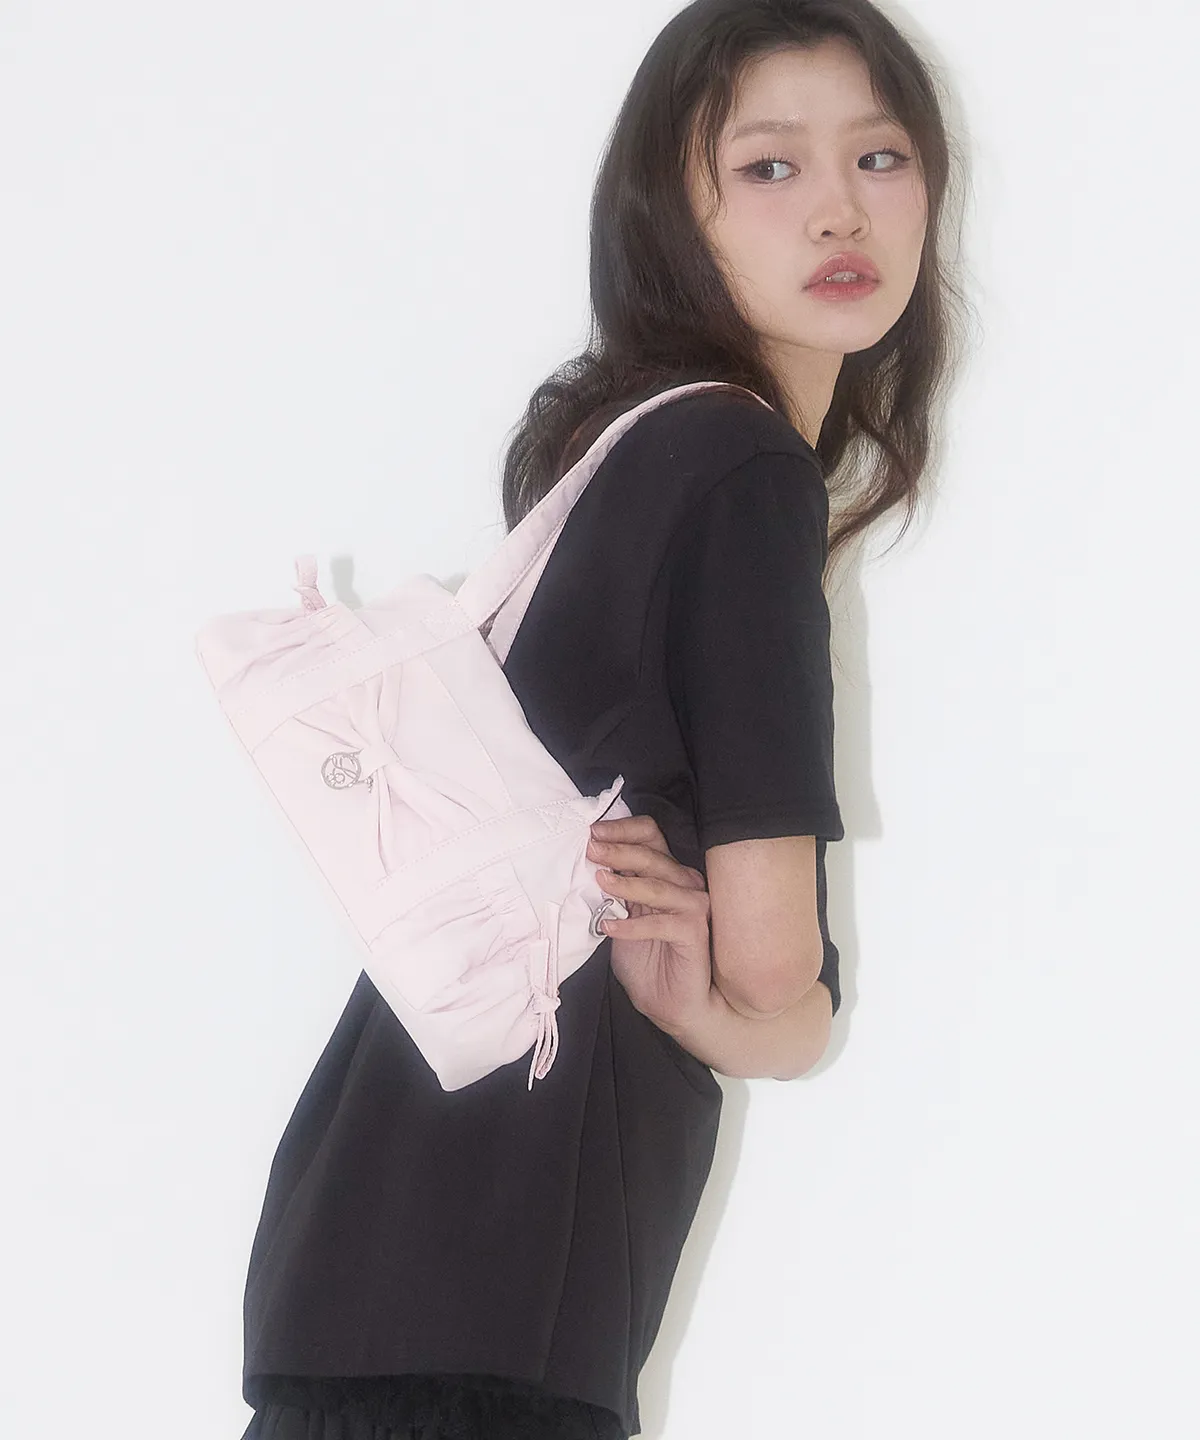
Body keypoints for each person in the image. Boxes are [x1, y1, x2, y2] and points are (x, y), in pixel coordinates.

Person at [237, 1, 964, 1435]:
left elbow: (758, 999)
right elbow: (771, 977)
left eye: (879, 158)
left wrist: (762, 1006)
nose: (839, 208)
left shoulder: (630, 449)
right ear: (668, 212)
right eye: (769, 165)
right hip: (511, 1277)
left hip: (381, 1236)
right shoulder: (744, 471)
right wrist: (773, 1008)